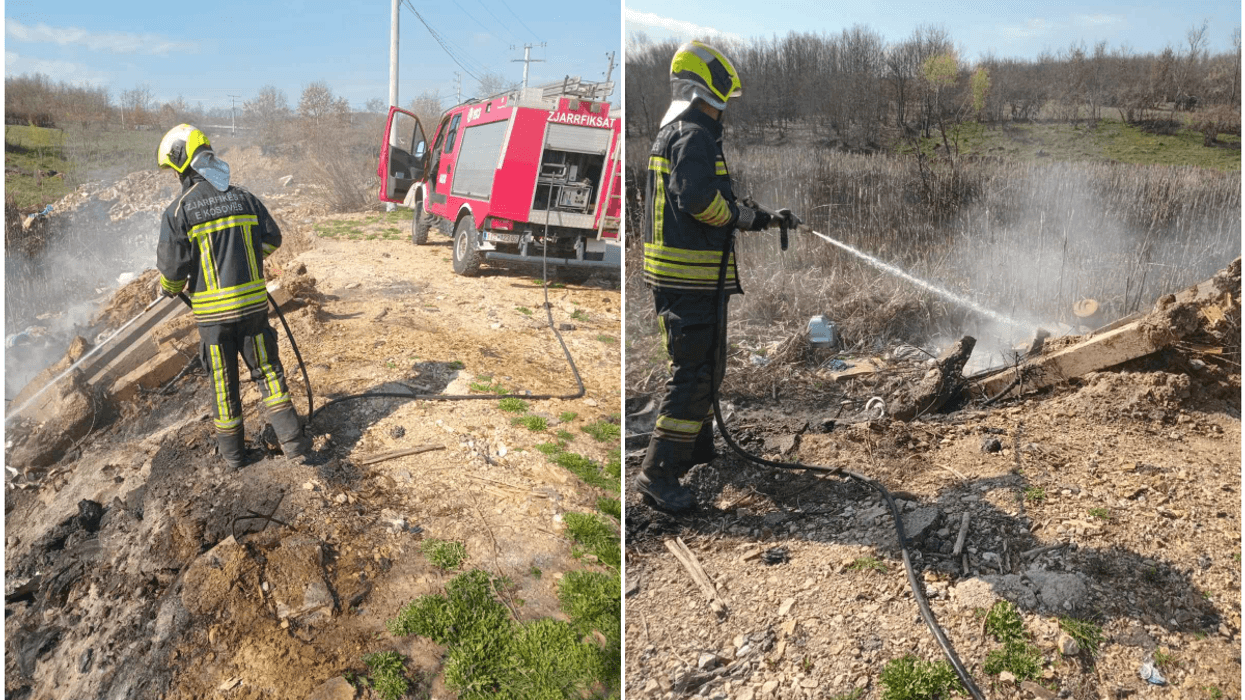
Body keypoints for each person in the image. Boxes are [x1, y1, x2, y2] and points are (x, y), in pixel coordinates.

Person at [637, 41, 795, 512]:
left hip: (687, 280)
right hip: (689, 282)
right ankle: (657, 474)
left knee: (706, 368)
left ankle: (696, 448)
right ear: (704, 92)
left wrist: (761, 216)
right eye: (721, 100)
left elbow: (708, 197)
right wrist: (742, 218)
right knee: (693, 374)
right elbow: (699, 201)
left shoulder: (679, 133)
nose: (723, 110)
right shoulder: (693, 135)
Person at [155, 124, 309, 469]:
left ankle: (234, 457)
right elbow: (272, 238)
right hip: (253, 308)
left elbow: (173, 273)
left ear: (180, 162)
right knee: (268, 371)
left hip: (214, 320)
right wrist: (247, 260)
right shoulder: (244, 197)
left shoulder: (179, 210)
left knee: (224, 385)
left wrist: (170, 288)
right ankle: (294, 444)